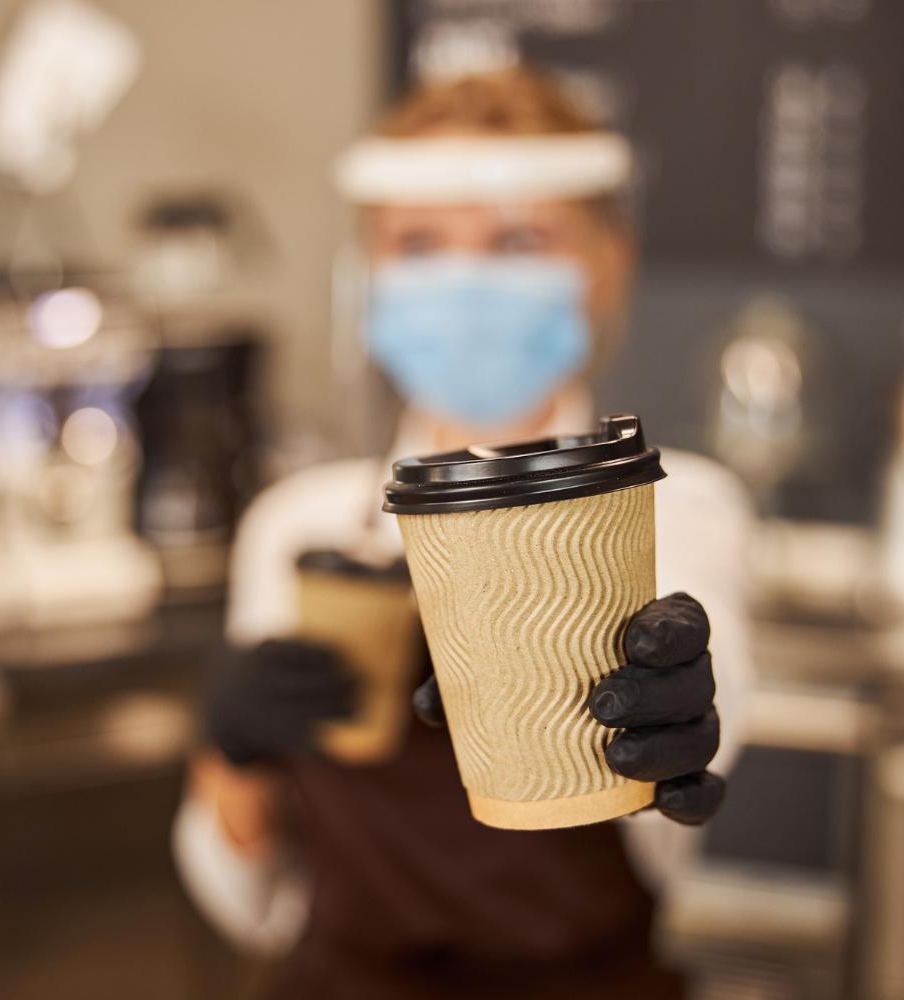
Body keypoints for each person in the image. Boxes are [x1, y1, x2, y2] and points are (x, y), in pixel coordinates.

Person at [173, 67, 755, 999]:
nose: (468, 278)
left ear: (607, 263)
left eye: (519, 239)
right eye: (421, 243)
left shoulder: (679, 511)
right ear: (373, 272)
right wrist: (229, 749)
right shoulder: (297, 527)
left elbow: (705, 713)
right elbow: (253, 901)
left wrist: (672, 709)